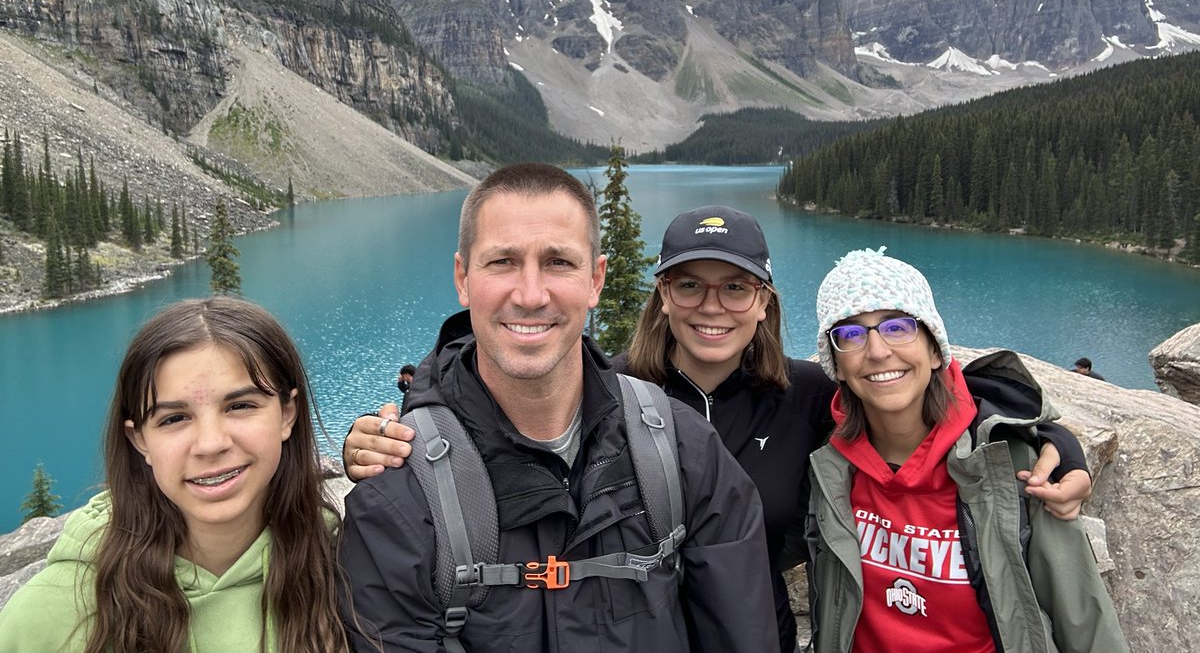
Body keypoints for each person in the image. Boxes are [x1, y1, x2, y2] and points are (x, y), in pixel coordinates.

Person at [345, 205, 1094, 652]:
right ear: (660, 295)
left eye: (736, 287)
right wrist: (393, 423)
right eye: (689, 285)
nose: (713, 305)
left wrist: (1046, 434)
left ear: (764, 302)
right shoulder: (616, 400)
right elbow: (498, 381)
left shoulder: (808, 395)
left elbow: (934, 386)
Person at [337, 164, 777, 651]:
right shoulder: (400, 490)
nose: (530, 294)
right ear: (463, 278)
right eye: (502, 261)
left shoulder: (685, 450)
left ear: (596, 280)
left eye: (558, 263)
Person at [806, 248, 1127, 652]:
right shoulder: (829, 465)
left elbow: (1082, 617)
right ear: (835, 362)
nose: (877, 351)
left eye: (898, 327)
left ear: (936, 348)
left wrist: (1056, 441)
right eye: (849, 334)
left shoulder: (1012, 465)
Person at [0, 297, 350, 653]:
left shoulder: (344, 570)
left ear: (287, 414)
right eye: (174, 419)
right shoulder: (50, 617)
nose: (211, 444)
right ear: (140, 440)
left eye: (240, 406)